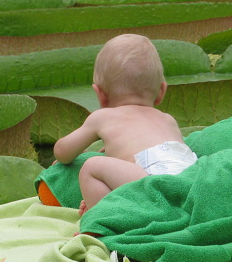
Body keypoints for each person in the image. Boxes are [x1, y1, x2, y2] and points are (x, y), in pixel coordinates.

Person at [53, 34, 197, 215]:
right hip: (191, 179)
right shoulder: (168, 119)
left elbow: (62, 153)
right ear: (161, 91)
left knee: (92, 166)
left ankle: (103, 220)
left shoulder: (103, 117)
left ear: (100, 94)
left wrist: (68, 153)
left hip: (153, 180)